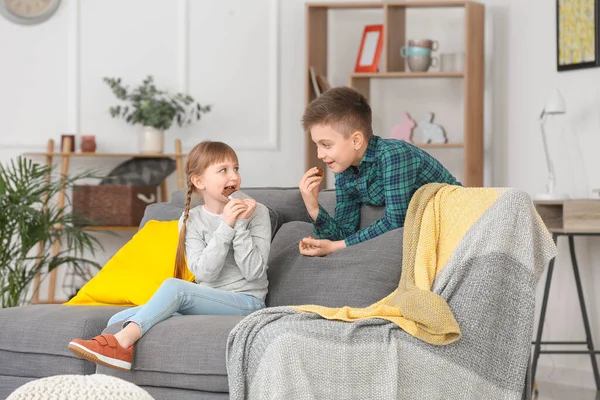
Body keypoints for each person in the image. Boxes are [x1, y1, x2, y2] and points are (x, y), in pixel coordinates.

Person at [68, 141, 271, 371]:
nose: (233, 177)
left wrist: (239, 225)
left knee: (175, 288)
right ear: (199, 181)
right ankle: (117, 347)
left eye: (236, 169)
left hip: (247, 302)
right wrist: (226, 225)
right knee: (118, 318)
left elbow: (253, 273)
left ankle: (122, 344)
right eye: (223, 170)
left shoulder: (257, 213)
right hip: (209, 298)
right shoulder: (190, 220)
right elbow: (206, 274)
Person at [298, 86, 461, 257]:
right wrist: (313, 207)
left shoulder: (393, 155)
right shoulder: (345, 173)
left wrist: (337, 246)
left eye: (326, 145)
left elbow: (395, 222)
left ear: (356, 140)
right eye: (316, 145)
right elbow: (343, 235)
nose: (319, 155)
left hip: (456, 216)